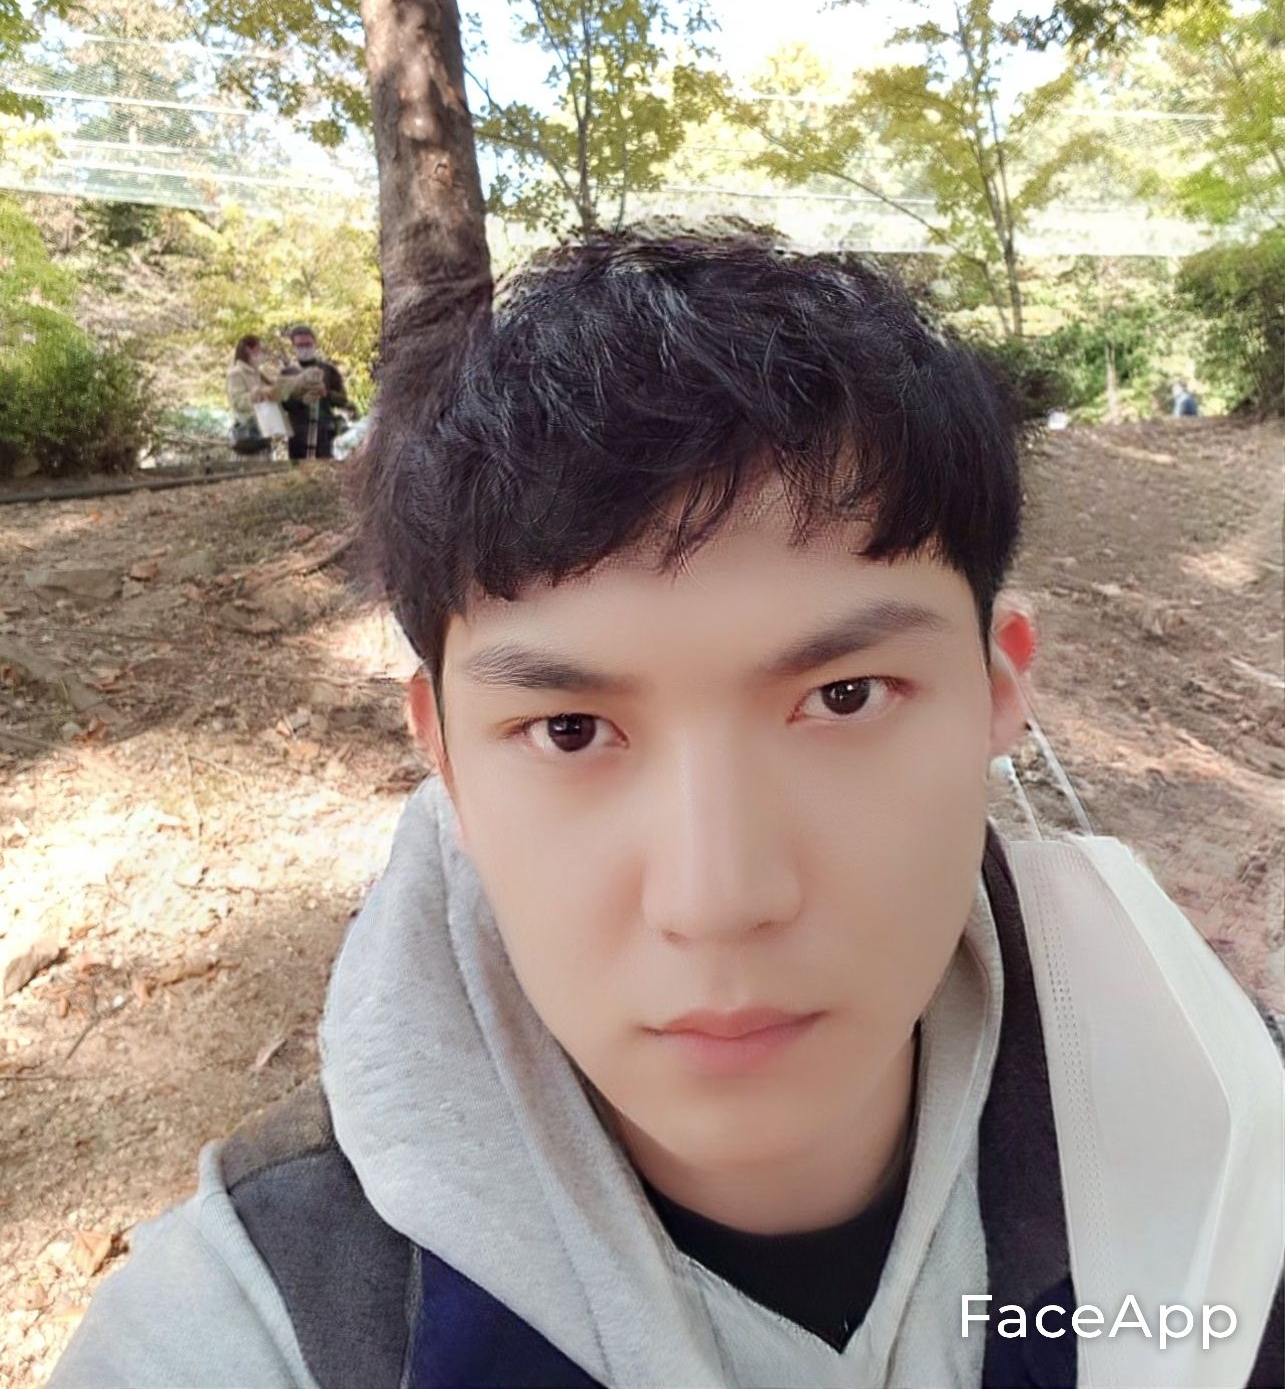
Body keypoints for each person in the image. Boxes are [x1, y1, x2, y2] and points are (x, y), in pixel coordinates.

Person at [50, 238, 1282, 1389]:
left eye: (844, 696)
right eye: (569, 730)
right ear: (444, 755)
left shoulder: (1245, 1152)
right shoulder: (258, 1331)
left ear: (999, 690)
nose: (718, 898)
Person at [278, 324, 354, 462]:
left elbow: (343, 399)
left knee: (324, 472)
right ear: (293, 346)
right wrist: (300, 397)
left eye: (308, 344)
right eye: (300, 345)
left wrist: (326, 394)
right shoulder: (287, 373)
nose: (304, 349)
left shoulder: (328, 370)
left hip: (324, 433)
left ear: (314, 343)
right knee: (298, 473)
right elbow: (282, 404)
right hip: (297, 435)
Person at [225, 334, 281, 456]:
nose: (262, 354)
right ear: (249, 350)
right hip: (248, 435)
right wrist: (256, 395)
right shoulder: (236, 373)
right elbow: (238, 402)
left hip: (264, 432)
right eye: (259, 349)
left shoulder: (258, 373)